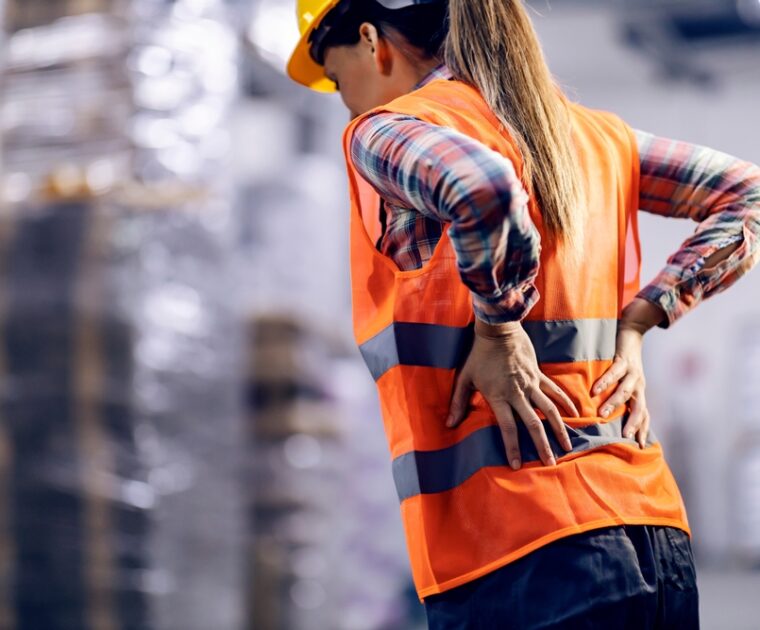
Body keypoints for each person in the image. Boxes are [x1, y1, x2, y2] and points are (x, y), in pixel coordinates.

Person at [286, 1, 760, 628]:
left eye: (338, 78)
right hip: (652, 536)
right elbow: (746, 194)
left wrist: (499, 329)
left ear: (372, 42)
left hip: (516, 551)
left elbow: (482, 188)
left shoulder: (384, 130)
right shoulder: (592, 137)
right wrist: (640, 320)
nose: (346, 102)